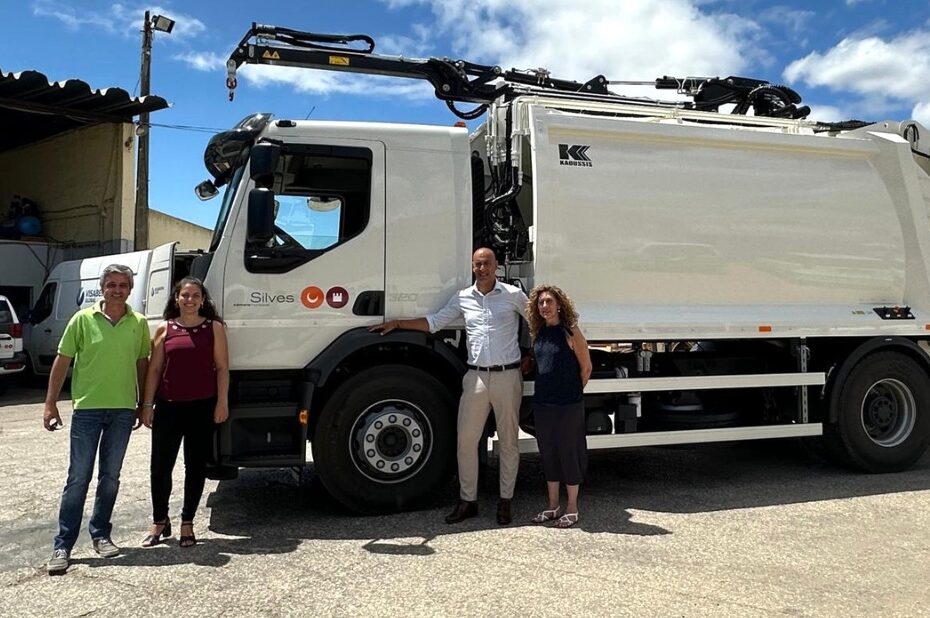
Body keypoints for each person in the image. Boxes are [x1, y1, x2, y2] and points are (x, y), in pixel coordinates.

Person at [371, 247, 529, 525]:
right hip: (476, 377)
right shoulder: (463, 297)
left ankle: (506, 501)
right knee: (466, 441)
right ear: (472, 267)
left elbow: (538, 321)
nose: (482, 268)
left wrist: (533, 354)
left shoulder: (513, 295)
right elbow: (434, 322)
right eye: (478, 264)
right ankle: (468, 501)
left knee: (508, 442)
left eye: (487, 263)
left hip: (507, 376)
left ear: (497, 266)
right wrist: (398, 323)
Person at [43, 264, 151, 575]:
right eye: (111, 284)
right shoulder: (82, 319)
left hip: (122, 411)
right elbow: (63, 361)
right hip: (87, 411)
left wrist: (143, 404)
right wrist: (50, 404)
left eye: (122, 285)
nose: (117, 290)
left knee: (111, 477)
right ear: (102, 288)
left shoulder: (138, 323)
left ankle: (101, 534)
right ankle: (63, 545)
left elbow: (142, 364)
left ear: (130, 289)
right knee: (78, 478)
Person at [139, 277, 229, 548]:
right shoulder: (164, 328)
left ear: (203, 300)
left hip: (202, 407)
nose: (190, 300)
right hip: (168, 407)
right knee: (160, 467)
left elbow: (222, 368)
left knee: (195, 466)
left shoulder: (214, 328)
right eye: (185, 295)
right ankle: (159, 521)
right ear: (176, 298)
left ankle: (187, 521)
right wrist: (146, 405)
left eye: (196, 295)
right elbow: (155, 369)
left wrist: (222, 402)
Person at [525, 284, 592, 528]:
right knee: (549, 453)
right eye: (541, 302)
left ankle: (572, 507)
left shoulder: (571, 332)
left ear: (560, 305)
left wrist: (571, 391)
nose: (545, 306)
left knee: (569, 452)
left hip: (568, 405)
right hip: (544, 403)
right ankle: (552, 506)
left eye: (549, 301)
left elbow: (586, 368)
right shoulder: (540, 333)